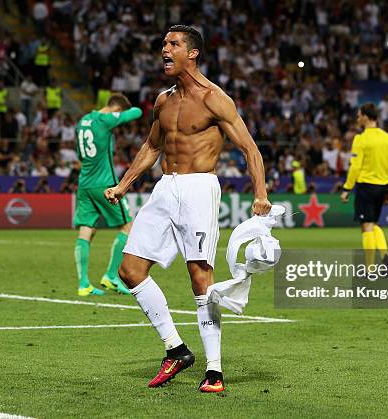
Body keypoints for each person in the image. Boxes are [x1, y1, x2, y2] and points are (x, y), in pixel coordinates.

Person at [104, 25, 271, 393]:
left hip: (199, 188)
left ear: (192, 53)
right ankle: (176, 350)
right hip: (165, 188)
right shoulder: (164, 100)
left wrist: (260, 193)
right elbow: (151, 147)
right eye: (164, 44)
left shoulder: (216, 99)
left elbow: (250, 149)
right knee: (129, 271)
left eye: (173, 44)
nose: (165, 49)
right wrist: (123, 185)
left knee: (199, 276)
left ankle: (214, 371)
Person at [74, 92, 142, 297]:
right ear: (116, 110)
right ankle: (111, 276)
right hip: (104, 185)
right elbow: (137, 112)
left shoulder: (83, 120)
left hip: (84, 183)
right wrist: (119, 115)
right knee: (128, 226)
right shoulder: (105, 119)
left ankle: (84, 284)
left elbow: (79, 154)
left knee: (86, 231)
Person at [341, 103, 388, 269]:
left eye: (358, 115)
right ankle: (385, 255)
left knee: (366, 227)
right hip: (382, 186)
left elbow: (355, 166)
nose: (357, 119)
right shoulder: (387, 138)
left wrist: (347, 188)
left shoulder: (361, 139)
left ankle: (369, 268)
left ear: (365, 116)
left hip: (366, 186)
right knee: (374, 224)